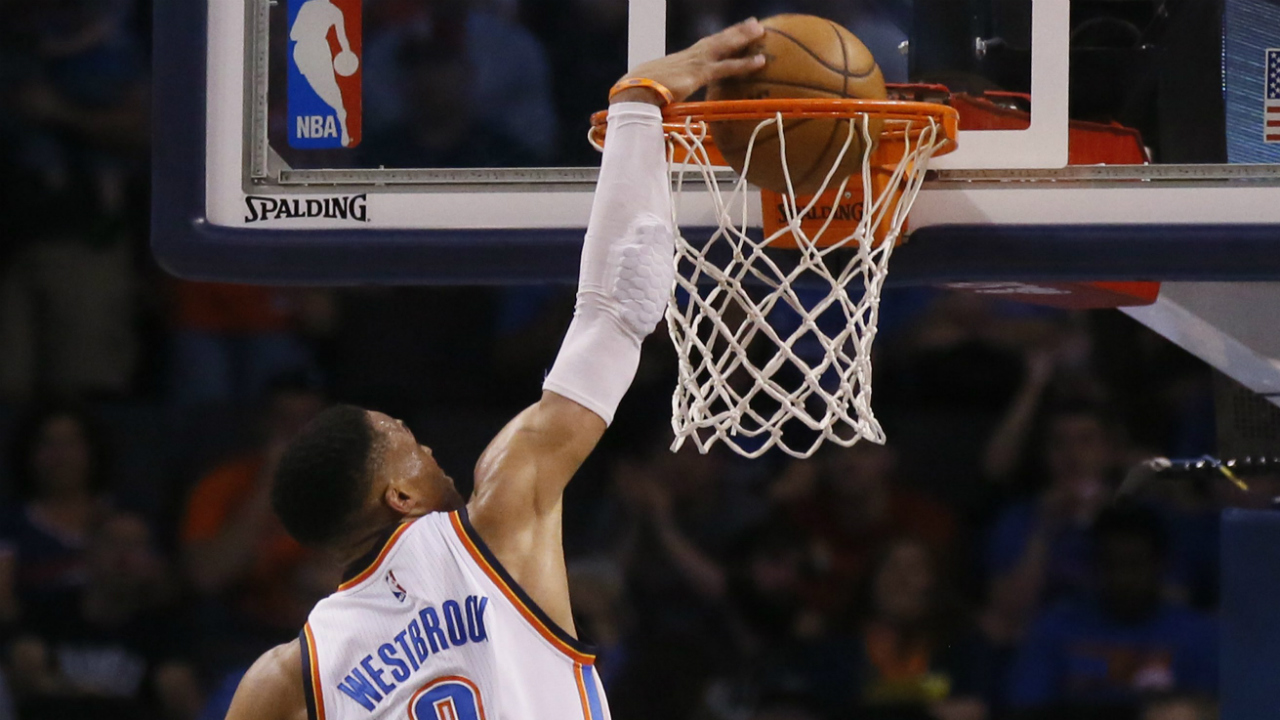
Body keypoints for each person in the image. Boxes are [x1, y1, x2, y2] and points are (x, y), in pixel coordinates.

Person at [223, 21, 768, 720]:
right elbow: (618, 309)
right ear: (400, 497)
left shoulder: (286, 676)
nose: (431, 453)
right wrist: (639, 103)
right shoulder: (499, 517)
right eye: (412, 449)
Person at [1005, 505, 1217, 714]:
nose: (1121, 578)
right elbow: (1026, 708)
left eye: (1134, 564)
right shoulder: (1054, 628)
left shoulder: (1198, 636)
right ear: (1093, 565)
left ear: (1161, 564)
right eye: (1110, 564)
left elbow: (1213, 708)